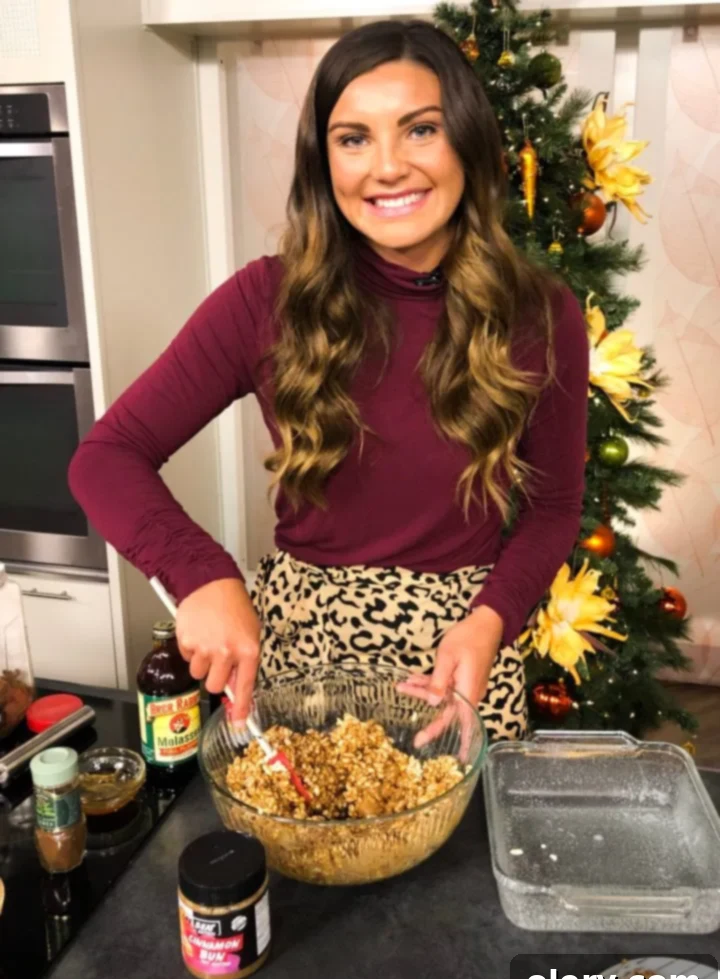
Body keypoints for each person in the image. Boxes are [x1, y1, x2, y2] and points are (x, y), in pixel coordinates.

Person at [69, 19, 588, 743]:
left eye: (420, 130)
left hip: (463, 653)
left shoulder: (540, 312)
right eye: (353, 138)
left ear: (468, 143)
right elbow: (106, 456)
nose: (387, 167)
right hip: (300, 656)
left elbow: (555, 506)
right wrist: (201, 576)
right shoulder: (264, 301)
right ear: (324, 163)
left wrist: (491, 621)